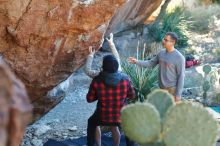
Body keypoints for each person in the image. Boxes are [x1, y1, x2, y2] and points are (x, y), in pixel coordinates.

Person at [86, 55, 135, 146]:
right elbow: (132, 96)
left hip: (102, 115)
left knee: (92, 122)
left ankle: (91, 144)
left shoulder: (97, 80)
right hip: (121, 115)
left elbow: (89, 99)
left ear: (103, 67)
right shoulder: (125, 79)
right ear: (116, 66)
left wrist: (100, 95)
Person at [128, 32, 185, 102]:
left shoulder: (179, 57)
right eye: (164, 39)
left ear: (173, 42)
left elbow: (181, 76)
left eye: (166, 40)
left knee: (172, 112)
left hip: (172, 89)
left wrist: (178, 94)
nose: (163, 41)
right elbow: (150, 63)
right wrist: (136, 61)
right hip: (161, 89)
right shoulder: (161, 53)